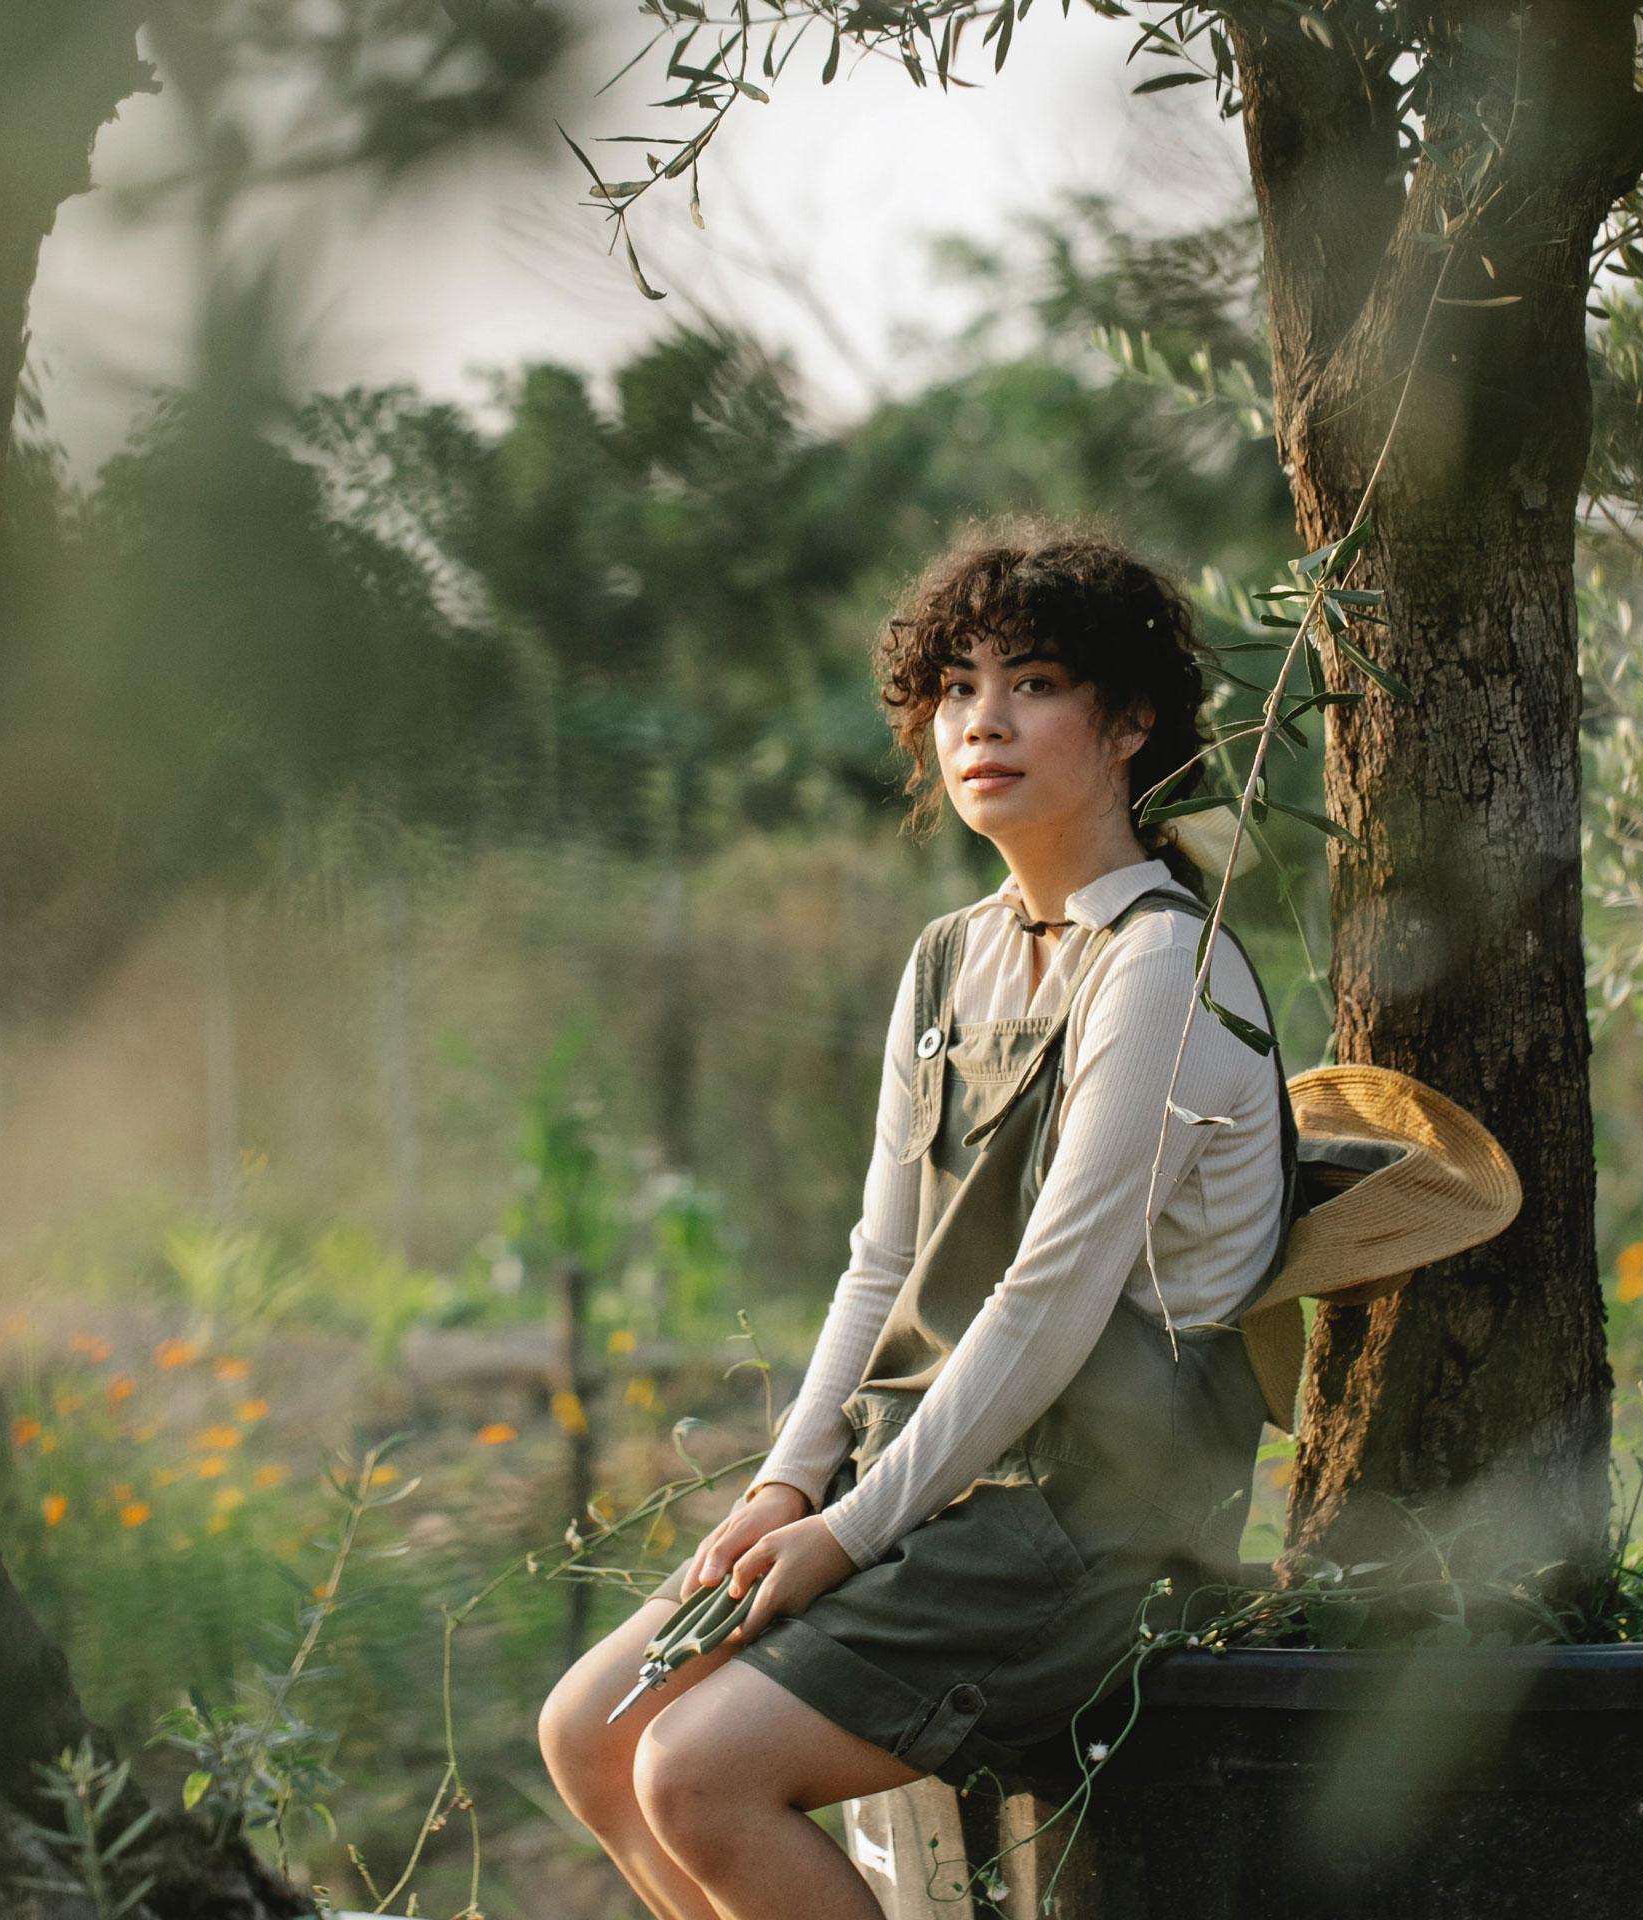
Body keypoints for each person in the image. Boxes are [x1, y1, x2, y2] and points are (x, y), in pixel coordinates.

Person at [538, 529, 1290, 1920]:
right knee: (591, 1735)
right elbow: (882, 1262)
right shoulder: (951, 954)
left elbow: (1055, 1301)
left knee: (695, 1774)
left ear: (1129, 724)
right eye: (954, 687)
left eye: (1035, 682)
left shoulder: (1165, 963)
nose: (982, 722)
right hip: (939, 1475)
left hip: (1092, 1520)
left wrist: (845, 1532)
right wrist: (784, 1485)